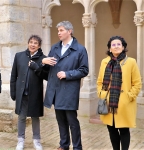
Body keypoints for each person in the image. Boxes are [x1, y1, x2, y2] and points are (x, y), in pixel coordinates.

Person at [42, 21, 89, 150]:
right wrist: (43, 61)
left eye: (61, 30)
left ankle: (77, 147)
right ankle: (64, 145)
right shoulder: (55, 48)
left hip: (69, 90)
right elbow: (48, 68)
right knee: (60, 120)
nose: (59, 33)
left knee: (72, 121)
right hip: (56, 89)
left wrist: (67, 74)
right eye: (58, 30)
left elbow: (84, 70)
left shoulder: (80, 49)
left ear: (69, 31)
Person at [97, 36, 142, 150]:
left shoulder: (131, 62)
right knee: (111, 130)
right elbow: (100, 81)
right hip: (108, 102)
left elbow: (137, 83)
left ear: (123, 47)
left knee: (124, 130)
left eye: (118, 44)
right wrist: (101, 94)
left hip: (124, 103)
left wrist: (129, 97)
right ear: (110, 48)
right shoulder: (105, 62)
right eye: (113, 45)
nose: (116, 46)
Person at [10, 35, 48, 150]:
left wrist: (37, 67)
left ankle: (37, 140)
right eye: (31, 42)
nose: (32, 44)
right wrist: (13, 92)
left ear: (39, 46)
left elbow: (46, 76)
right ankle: (20, 140)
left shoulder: (43, 59)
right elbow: (13, 76)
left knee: (35, 117)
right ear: (28, 43)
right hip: (22, 94)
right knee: (21, 117)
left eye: (35, 43)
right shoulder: (19, 56)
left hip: (35, 94)